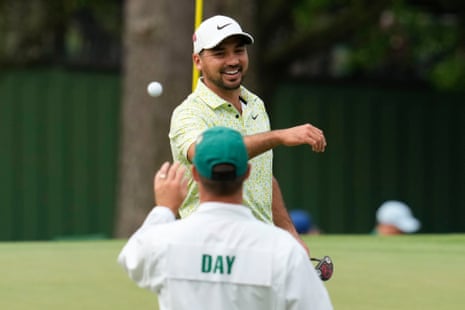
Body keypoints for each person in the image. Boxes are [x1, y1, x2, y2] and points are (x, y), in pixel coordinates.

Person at [118, 127, 333, 310]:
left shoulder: (163, 242)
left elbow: (131, 259)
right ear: (247, 172)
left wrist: (165, 209)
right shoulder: (283, 248)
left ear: (195, 174)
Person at [169, 15, 327, 254]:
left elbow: (263, 178)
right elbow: (206, 153)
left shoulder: (255, 105)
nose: (233, 60)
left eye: (239, 51)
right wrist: (278, 137)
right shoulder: (188, 114)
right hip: (209, 248)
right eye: (220, 53)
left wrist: (290, 234)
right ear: (198, 61)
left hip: (260, 247)